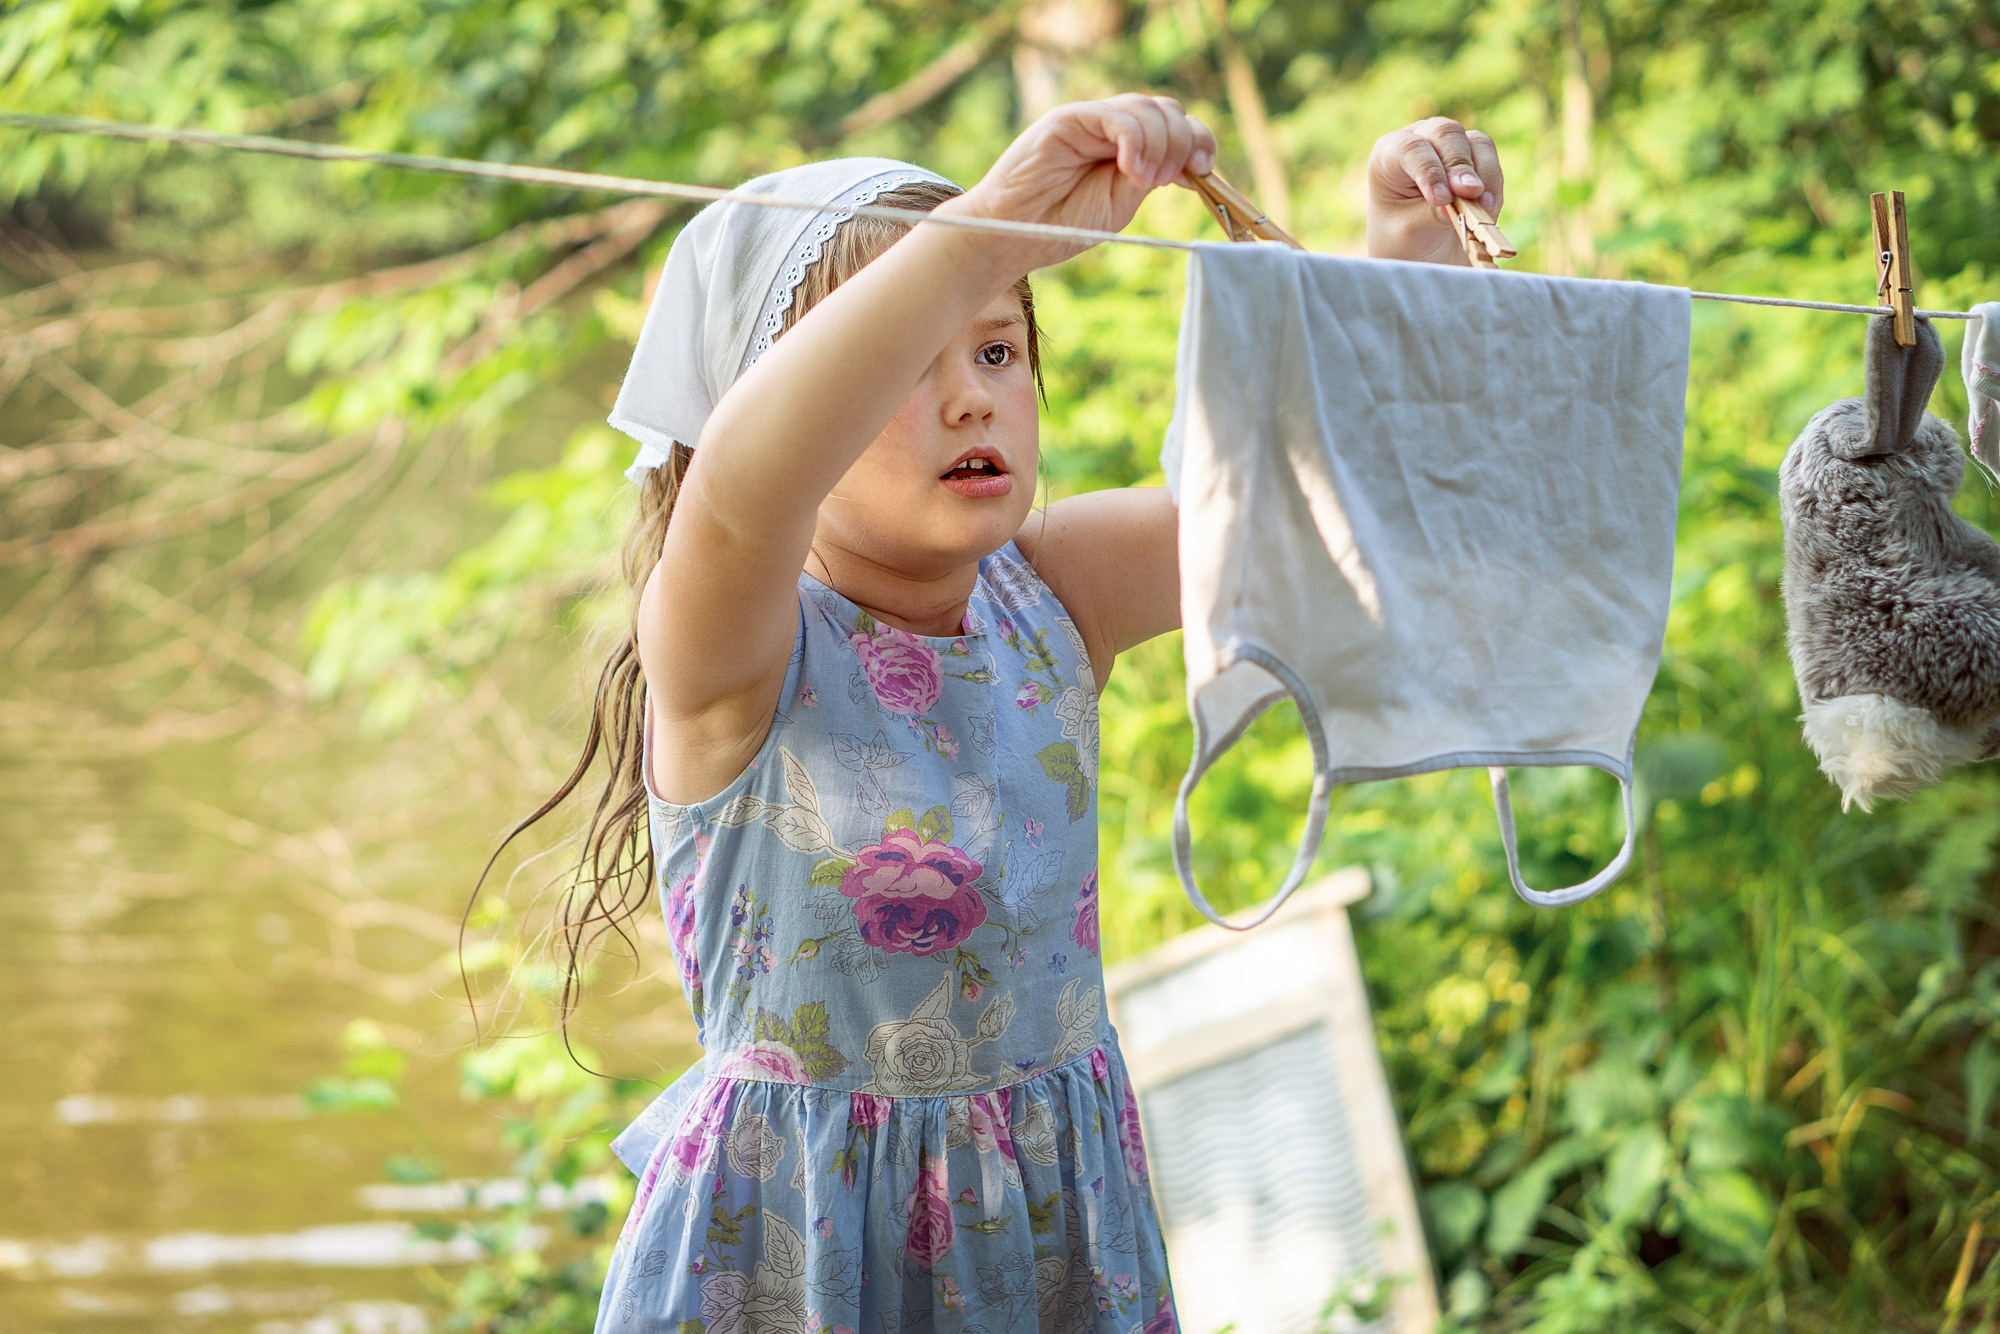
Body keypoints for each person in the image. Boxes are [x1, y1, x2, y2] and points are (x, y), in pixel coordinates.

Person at [506, 96, 1504, 1334]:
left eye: (996, 349)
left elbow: (1313, 504)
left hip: (1049, 1234)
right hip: (806, 1261)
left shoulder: (1051, 595)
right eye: (904, 369)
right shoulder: (731, 646)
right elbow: (740, 492)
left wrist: (1396, 244)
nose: (973, 399)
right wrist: (986, 234)